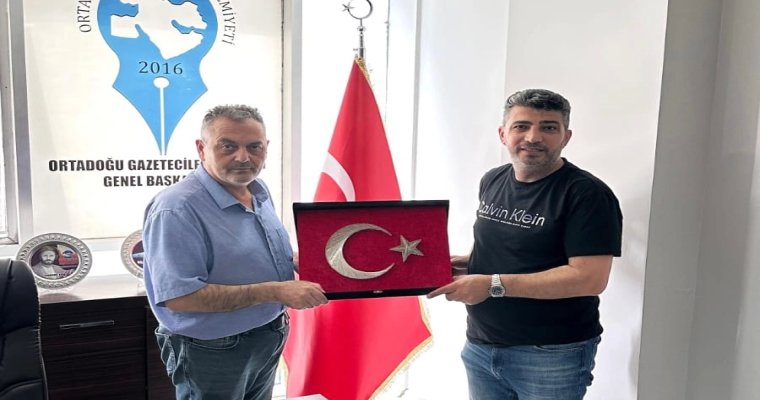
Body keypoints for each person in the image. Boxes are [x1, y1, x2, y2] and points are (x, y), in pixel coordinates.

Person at [428, 89, 623, 400]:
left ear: (566, 137)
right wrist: (468, 262)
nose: (533, 137)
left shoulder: (587, 194)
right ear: (503, 134)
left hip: (550, 355)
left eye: (548, 127)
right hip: (480, 346)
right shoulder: (493, 180)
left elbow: (589, 278)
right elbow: (506, 243)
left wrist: (491, 285)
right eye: (521, 126)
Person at [142, 104, 328, 400]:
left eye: (254, 147)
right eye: (228, 146)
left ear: (266, 148)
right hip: (212, 349)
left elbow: (251, 252)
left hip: (268, 334)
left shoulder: (257, 190)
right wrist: (276, 291)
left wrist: (296, 260)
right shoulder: (176, 209)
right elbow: (181, 297)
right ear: (201, 149)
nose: (243, 157)